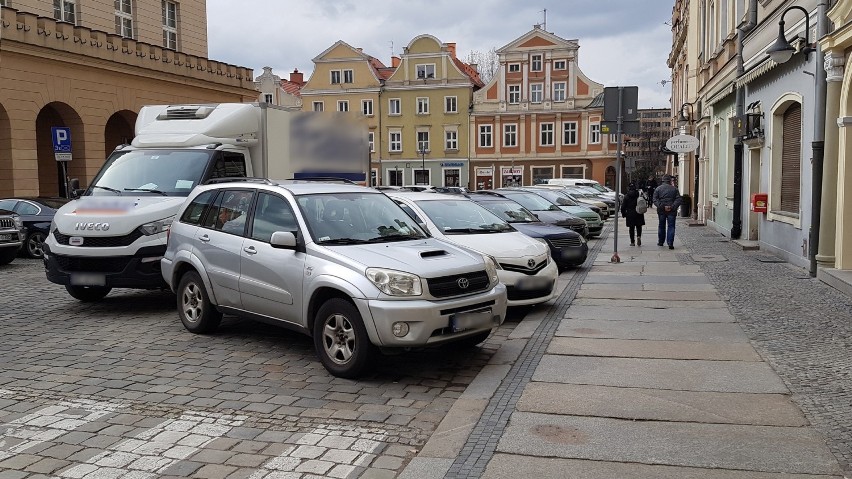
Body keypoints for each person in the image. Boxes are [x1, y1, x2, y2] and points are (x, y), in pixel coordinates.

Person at [652, 174, 682, 249]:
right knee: (671, 226)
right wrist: (672, 206)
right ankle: (670, 242)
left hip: (661, 210)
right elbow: (678, 199)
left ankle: (661, 242)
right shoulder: (674, 189)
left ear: (662, 180)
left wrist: (662, 206)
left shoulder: (658, 189)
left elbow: (655, 200)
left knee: (661, 226)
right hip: (672, 210)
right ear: (669, 181)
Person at [620, 182, 645, 246]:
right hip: (638, 212)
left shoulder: (626, 196)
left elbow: (623, 207)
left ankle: (632, 242)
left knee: (631, 228)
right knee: (639, 226)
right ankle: (638, 236)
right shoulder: (638, 195)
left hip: (630, 213)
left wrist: (623, 213)